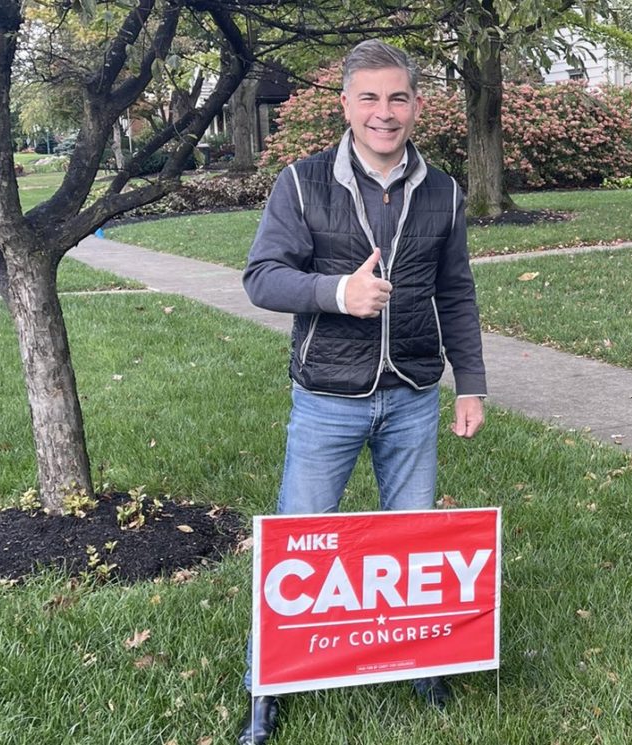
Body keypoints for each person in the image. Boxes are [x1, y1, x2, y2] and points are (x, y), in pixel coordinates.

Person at [237, 39, 487, 744]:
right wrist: (335, 291)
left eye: (398, 97)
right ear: (344, 105)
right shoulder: (302, 182)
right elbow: (261, 277)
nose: (385, 112)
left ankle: (421, 662)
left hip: (412, 393)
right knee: (300, 545)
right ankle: (269, 682)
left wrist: (470, 383)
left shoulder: (441, 190)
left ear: (417, 105)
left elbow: (456, 292)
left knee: (412, 544)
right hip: (328, 397)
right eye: (369, 98)